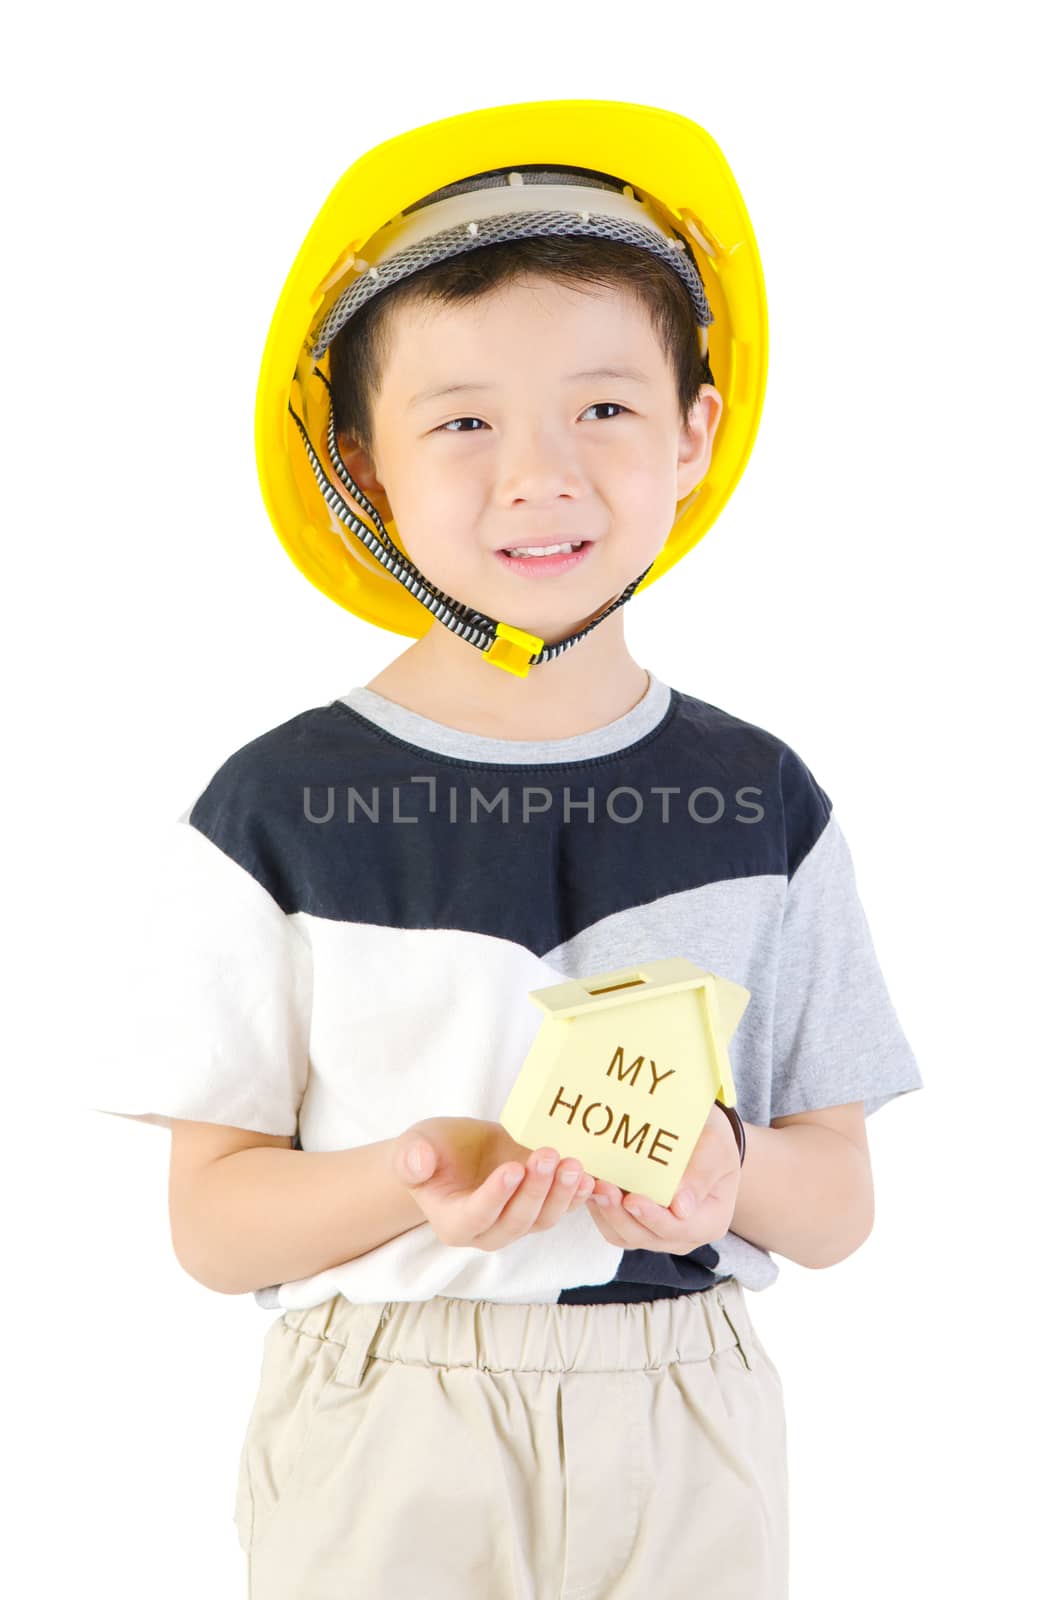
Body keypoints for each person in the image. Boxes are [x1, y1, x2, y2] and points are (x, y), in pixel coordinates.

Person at [86, 98, 923, 1599]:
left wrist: (726, 1170)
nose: (537, 475)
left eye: (601, 407)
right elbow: (213, 1226)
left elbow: (841, 1195)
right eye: (462, 420)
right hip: (392, 1414)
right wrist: (416, 1183)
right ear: (364, 464)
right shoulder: (273, 806)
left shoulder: (763, 797)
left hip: (686, 1404)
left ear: (694, 434)